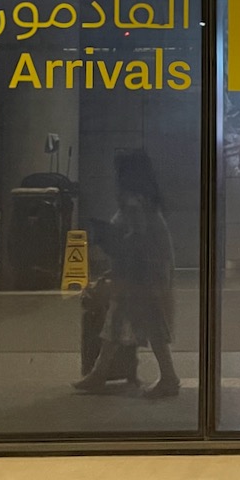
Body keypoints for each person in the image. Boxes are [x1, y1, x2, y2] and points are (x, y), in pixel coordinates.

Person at [73, 151, 180, 398]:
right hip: (146, 271)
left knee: (146, 322)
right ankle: (100, 374)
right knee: (120, 319)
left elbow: (137, 237)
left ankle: (168, 377)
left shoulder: (133, 202)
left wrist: (111, 240)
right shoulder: (146, 200)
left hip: (141, 274)